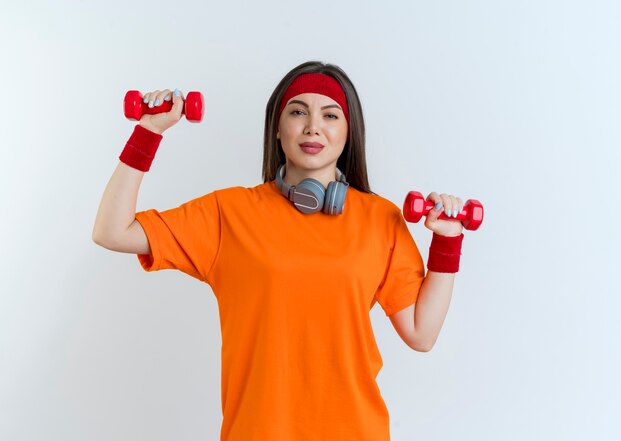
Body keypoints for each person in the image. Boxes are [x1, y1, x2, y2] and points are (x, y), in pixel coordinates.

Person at [93, 60, 466, 441]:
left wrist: (448, 240)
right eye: (298, 111)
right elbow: (112, 231)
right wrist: (148, 130)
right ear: (277, 127)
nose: (313, 126)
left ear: (348, 131)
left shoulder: (380, 219)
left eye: (330, 115)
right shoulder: (228, 213)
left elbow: (422, 333)